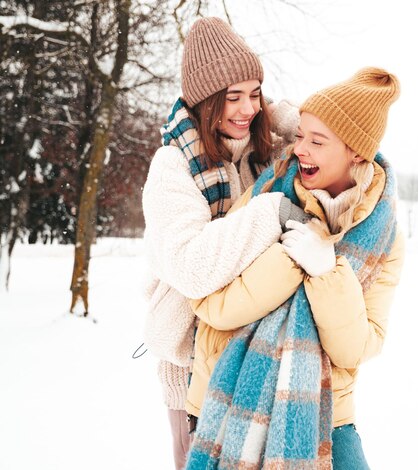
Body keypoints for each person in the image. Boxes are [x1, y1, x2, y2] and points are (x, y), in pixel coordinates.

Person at [185, 67, 404, 469]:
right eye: (300, 134)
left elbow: (356, 348)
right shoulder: (270, 194)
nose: (299, 148)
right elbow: (208, 301)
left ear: (355, 151)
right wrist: (287, 261)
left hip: (325, 414)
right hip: (228, 400)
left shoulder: (383, 235)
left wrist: (327, 274)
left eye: (317, 141)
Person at [141, 17, 306, 470]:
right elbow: (192, 265)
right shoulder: (172, 166)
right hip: (194, 363)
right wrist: (269, 213)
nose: (246, 109)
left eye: (255, 94)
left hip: (256, 352)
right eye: (232, 97)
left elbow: (325, 137)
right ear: (205, 101)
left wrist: (290, 118)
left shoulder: (258, 151)